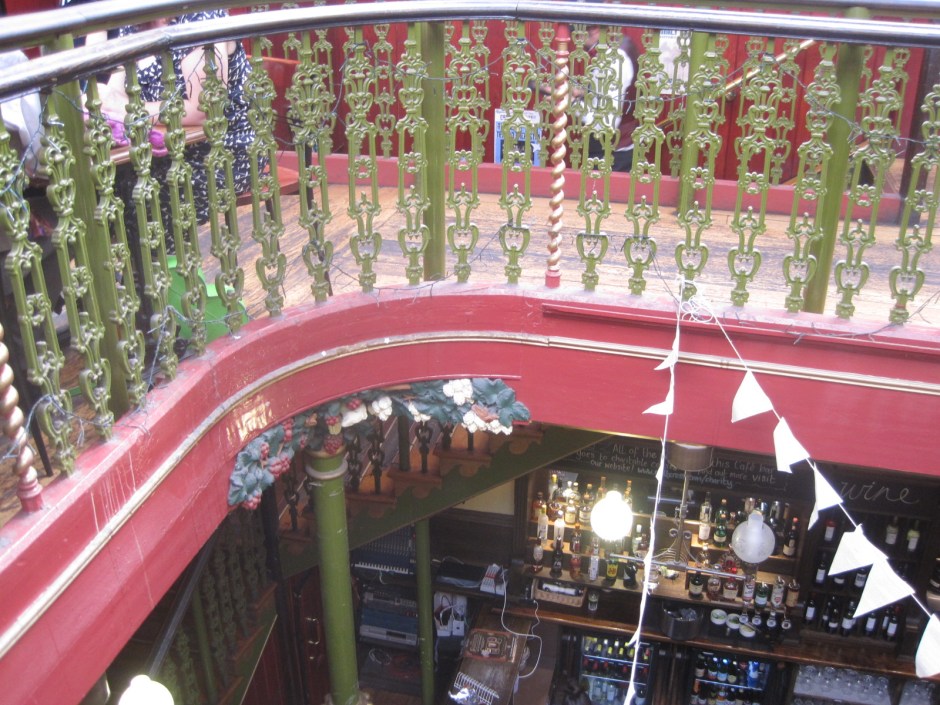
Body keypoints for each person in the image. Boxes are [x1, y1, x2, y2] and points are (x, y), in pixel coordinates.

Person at [96, 10, 259, 254]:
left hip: (220, 151)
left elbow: (202, 109)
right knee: (99, 189)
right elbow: (114, 96)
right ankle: (132, 280)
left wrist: (130, 109)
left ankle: (165, 281)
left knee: (141, 195)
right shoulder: (131, 25)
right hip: (160, 148)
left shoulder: (200, 17)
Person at [575, 23, 639, 173]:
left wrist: (569, 103)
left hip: (613, 154)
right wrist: (582, 93)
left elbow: (605, 124)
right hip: (613, 150)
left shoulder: (614, 60)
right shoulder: (613, 51)